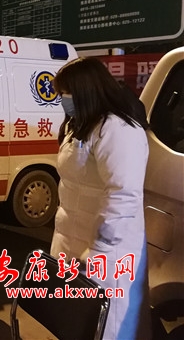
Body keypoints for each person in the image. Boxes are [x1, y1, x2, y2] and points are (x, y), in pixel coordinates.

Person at [50, 57, 150, 340]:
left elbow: (123, 193)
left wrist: (100, 249)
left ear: (86, 89)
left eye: (66, 92)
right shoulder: (80, 124)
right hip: (74, 238)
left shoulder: (118, 129)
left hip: (106, 249)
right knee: (75, 321)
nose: (62, 99)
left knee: (107, 326)